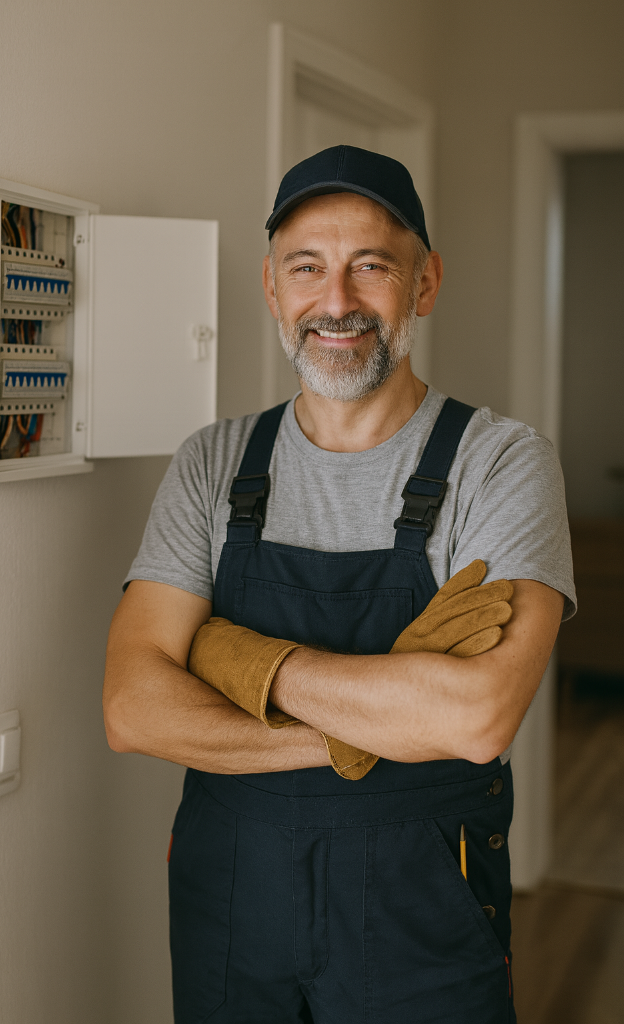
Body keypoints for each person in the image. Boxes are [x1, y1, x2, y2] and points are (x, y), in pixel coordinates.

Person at [103, 145, 575, 1024]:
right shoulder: (212, 464)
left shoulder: (500, 462)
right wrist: (365, 732)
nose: (337, 302)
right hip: (231, 900)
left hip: (422, 904)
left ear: (424, 283)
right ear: (273, 289)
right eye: (307, 268)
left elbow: (476, 718)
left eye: (371, 267)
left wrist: (235, 658)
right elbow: (133, 708)